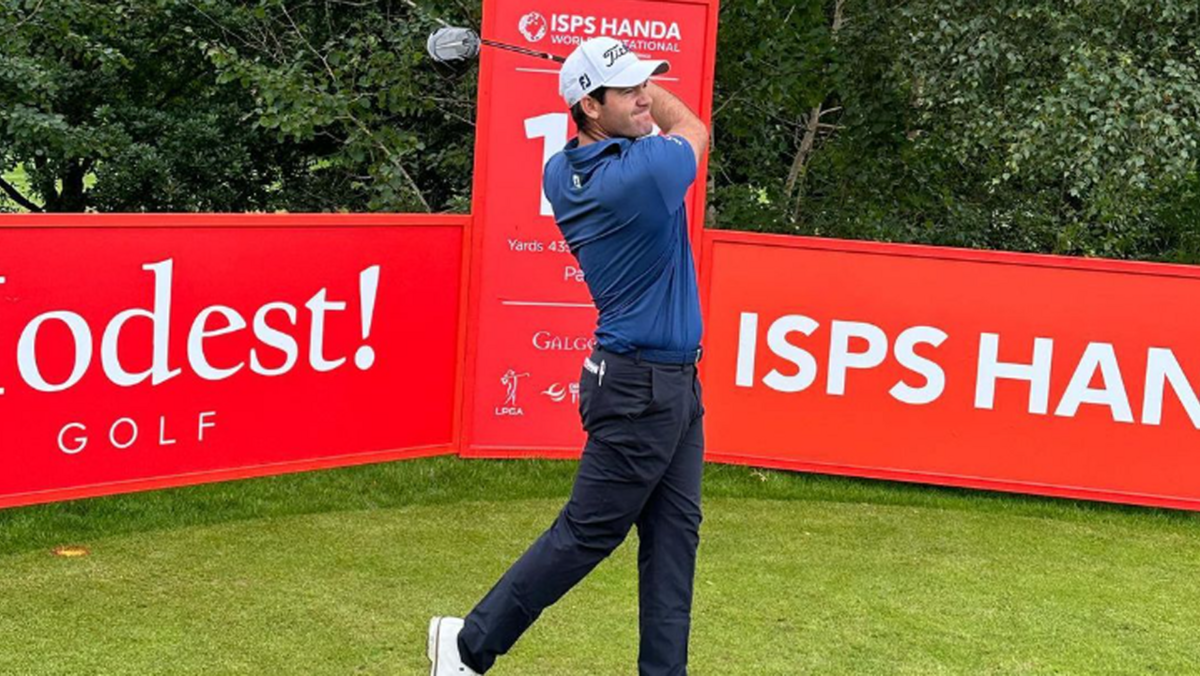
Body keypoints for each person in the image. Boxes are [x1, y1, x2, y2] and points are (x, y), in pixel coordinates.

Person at [429, 36, 709, 676]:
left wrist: (622, 81)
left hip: (667, 384)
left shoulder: (564, 169)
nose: (643, 97)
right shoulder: (643, 174)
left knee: (675, 538)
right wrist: (647, 93)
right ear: (588, 105)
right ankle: (469, 645)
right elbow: (692, 128)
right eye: (628, 90)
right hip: (640, 388)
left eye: (644, 84)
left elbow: (635, 125)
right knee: (589, 532)